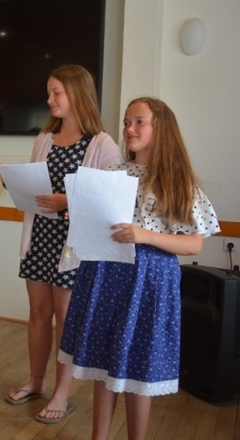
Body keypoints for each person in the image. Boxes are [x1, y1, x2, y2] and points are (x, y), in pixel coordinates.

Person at [59, 97, 219, 440]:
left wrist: (145, 235)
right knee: (103, 363)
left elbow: (193, 244)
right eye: (127, 122)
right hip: (105, 274)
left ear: (161, 128)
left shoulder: (178, 182)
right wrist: (82, 216)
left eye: (139, 122)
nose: (129, 129)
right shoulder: (112, 174)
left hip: (149, 280)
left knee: (137, 368)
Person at [0, 65, 122, 423]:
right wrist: (4, 176)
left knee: (66, 319)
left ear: (77, 93)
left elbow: (113, 200)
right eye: (49, 92)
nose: (49, 99)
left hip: (73, 246)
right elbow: (35, 188)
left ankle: (62, 393)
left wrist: (68, 199)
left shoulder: (102, 144)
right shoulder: (45, 138)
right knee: (37, 313)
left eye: (56, 92)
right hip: (40, 238)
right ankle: (37, 381)